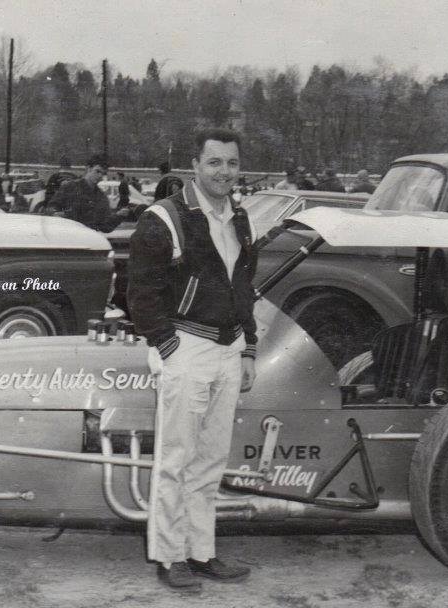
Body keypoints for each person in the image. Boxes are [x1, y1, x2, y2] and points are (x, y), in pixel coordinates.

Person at [128, 127, 256, 593]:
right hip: (186, 347)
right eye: (215, 163)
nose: (224, 172)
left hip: (228, 349)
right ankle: (169, 555)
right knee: (176, 458)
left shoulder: (241, 218)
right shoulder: (164, 218)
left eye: (232, 163)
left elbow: (244, 289)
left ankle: (201, 552)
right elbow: (140, 294)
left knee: (210, 460)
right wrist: (166, 345)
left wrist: (249, 348)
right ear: (195, 166)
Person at [49, 154, 128, 232]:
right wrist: (56, 213)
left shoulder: (101, 197)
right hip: (68, 235)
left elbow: (105, 226)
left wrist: (119, 216)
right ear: (88, 169)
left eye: (103, 173)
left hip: (88, 239)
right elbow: (51, 207)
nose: (100, 176)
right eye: (97, 171)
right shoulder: (70, 187)